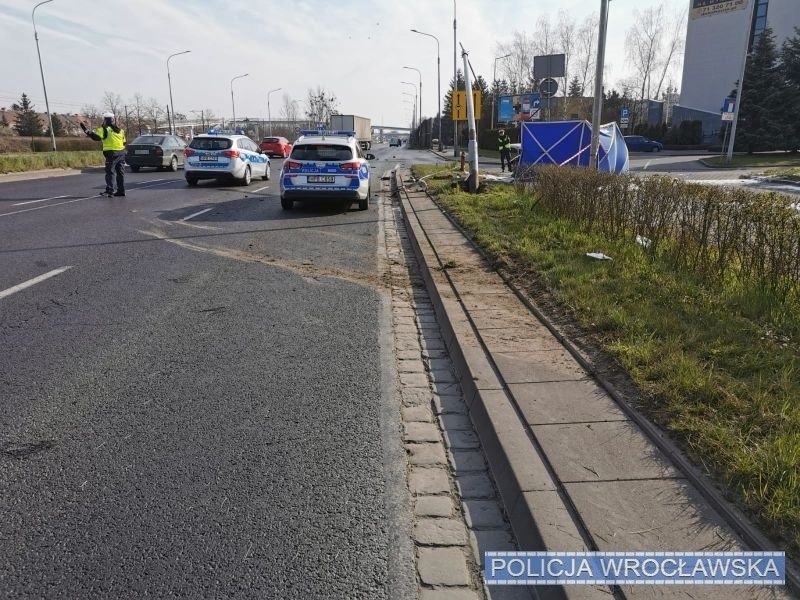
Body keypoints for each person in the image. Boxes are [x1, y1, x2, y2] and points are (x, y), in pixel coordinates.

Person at [81, 112, 126, 197]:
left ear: (105, 120)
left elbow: (94, 137)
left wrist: (83, 126)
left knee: (110, 172)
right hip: (121, 153)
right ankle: (121, 190)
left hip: (112, 154)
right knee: (120, 173)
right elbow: (124, 142)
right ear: (113, 120)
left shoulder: (104, 129)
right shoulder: (121, 131)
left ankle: (110, 190)